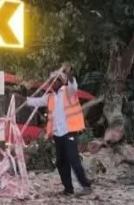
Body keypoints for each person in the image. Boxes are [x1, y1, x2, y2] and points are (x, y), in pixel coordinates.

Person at [25, 62, 92, 196]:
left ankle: (86, 186)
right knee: (61, 162)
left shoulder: (69, 91)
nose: (51, 83)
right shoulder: (50, 97)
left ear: (60, 82)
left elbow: (73, 83)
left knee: (74, 159)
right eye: (50, 81)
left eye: (54, 81)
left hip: (69, 131)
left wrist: (68, 73)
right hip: (58, 134)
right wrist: (23, 100)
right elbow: (36, 101)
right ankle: (68, 189)